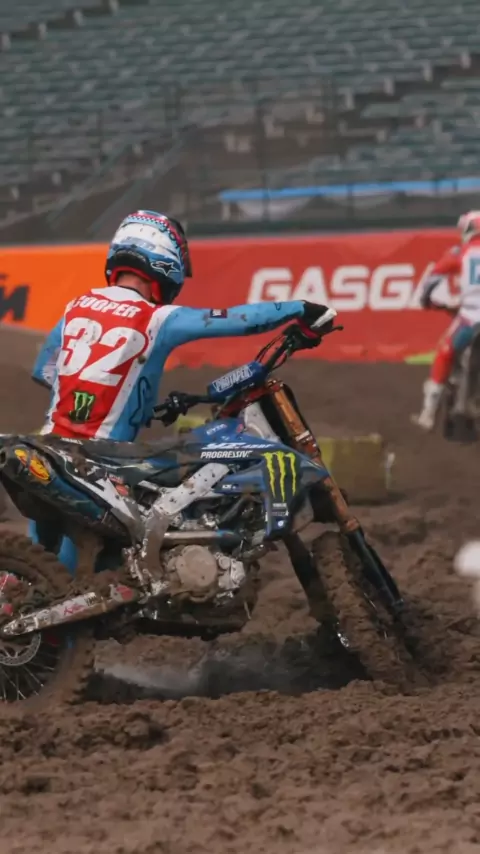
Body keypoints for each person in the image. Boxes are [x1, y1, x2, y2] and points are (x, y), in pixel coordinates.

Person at [30, 209, 332, 572]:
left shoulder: (75, 307)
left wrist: (98, 398)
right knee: (85, 571)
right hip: (102, 462)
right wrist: (301, 308)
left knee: (34, 564)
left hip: (46, 448)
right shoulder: (158, 318)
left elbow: (45, 371)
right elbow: (237, 319)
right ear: (166, 263)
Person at [412, 210, 480, 431]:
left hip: (470, 319)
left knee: (444, 353)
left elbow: (431, 281)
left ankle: (428, 414)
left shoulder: (459, 252)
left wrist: (426, 300)